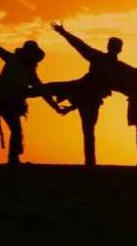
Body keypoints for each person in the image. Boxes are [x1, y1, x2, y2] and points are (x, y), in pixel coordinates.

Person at [0, 24, 69, 165]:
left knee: (16, 132)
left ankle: (13, 158)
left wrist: (55, 107)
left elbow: (43, 91)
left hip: (10, 104)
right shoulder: (12, 59)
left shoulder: (31, 73)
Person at [43, 23, 121, 166]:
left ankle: (90, 162)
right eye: (111, 44)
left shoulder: (118, 67)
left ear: (117, 49)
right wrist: (64, 33)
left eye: (113, 45)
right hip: (80, 90)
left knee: (88, 131)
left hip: (91, 98)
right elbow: (80, 45)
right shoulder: (100, 58)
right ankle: (90, 162)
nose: (111, 47)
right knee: (48, 87)